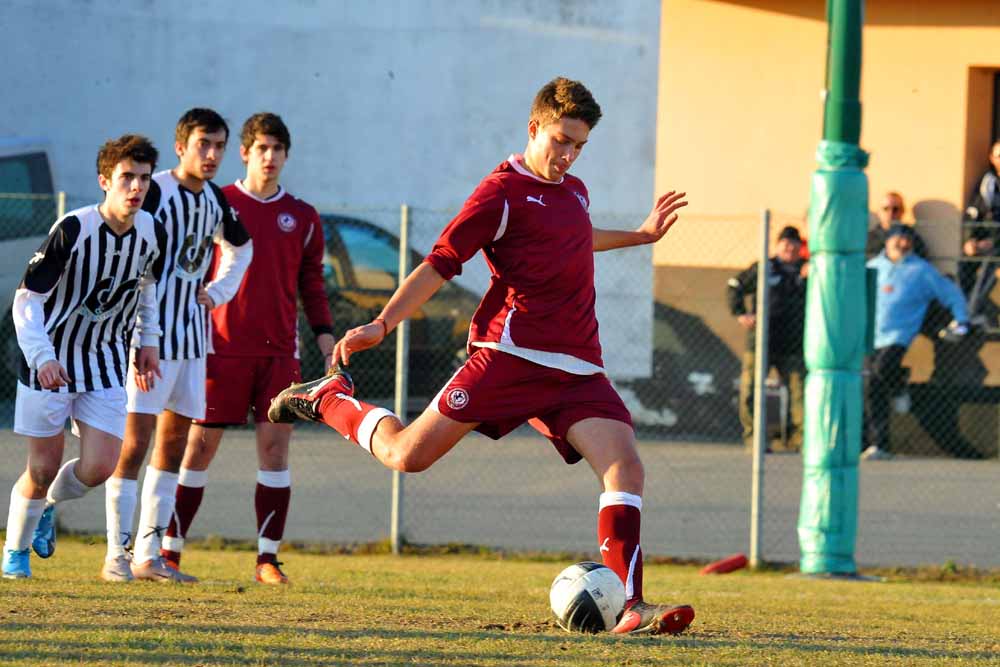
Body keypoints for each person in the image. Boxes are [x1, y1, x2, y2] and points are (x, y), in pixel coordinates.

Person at [268, 77, 695, 635]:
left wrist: (640, 237)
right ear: (534, 127)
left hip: (578, 366)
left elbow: (574, 235)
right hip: (509, 355)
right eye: (560, 140)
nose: (566, 155)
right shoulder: (500, 192)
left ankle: (631, 605)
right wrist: (383, 321)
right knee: (406, 455)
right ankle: (330, 400)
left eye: (579, 146)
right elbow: (442, 260)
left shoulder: (575, 190)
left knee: (625, 466)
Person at [157, 113, 335, 585]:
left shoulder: (302, 216)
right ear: (245, 152)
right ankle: (170, 551)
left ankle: (267, 560)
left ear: (286, 156)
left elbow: (311, 283)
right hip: (218, 348)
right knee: (197, 449)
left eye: (278, 149)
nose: (270, 157)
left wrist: (324, 333)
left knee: (275, 453)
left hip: (279, 354)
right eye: (262, 148)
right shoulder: (220, 202)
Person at [2, 135, 167, 579]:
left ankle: (48, 507)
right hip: (50, 363)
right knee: (41, 467)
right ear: (104, 181)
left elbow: (147, 291)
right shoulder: (73, 230)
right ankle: (15, 555)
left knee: (100, 466)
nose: (136, 187)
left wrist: (147, 342)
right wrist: (42, 357)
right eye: (126, 177)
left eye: (144, 178)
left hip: (105, 363)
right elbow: (27, 301)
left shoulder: (153, 233)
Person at [102, 109, 253, 583]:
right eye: (203, 143)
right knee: (133, 445)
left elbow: (241, 248)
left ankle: (150, 556)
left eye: (219, 146)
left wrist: (218, 290)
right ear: (181, 145)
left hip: (191, 339)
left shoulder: (214, 200)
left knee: (172, 445)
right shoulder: (153, 191)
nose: (211, 155)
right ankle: (115, 555)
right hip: (145, 338)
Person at [863, 224, 968, 461]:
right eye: (898, 239)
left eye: (907, 239)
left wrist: (961, 319)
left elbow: (950, 294)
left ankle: (899, 386)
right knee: (873, 386)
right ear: (887, 241)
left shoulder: (921, 271)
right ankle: (880, 444)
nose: (903, 243)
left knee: (882, 369)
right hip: (872, 336)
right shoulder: (872, 267)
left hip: (899, 335)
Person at [727, 225, 807, 452]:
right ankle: (755, 439)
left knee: (799, 393)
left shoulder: (806, 271)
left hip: (793, 343)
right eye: (785, 243)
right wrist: (741, 313)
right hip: (762, 341)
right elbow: (735, 286)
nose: (790, 248)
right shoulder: (766, 267)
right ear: (778, 245)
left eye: (794, 244)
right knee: (751, 389)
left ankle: (798, 440)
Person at [959, 141, 1000, 306]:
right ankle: (964, 311)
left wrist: (993, 242)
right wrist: (970, 240)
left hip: (996, 244)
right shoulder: (987, 183)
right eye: (999, 156)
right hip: (985, 240)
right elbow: (973, 212)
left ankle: (969, 314)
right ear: (991, 158)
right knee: (964, 263)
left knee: (988, 267)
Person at [865, 191, 928, 259]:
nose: (890, 213)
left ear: (902, 211)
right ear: (879, 212)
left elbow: (921, 263)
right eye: (886, 208)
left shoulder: (912, 237)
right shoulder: (868, 239)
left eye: (895, 209)